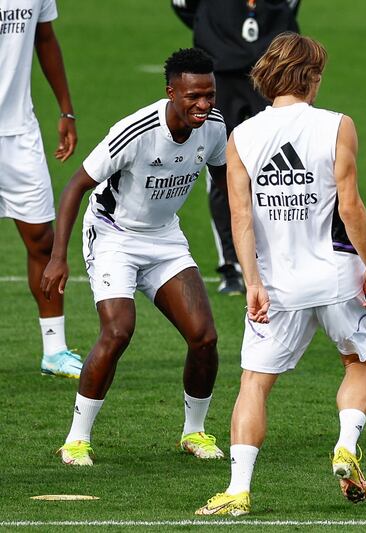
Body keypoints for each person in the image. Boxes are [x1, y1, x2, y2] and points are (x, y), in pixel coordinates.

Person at [196, 32, 366, 516]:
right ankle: (346, 445)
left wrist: (252, 283)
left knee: (254, 384)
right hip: (338, 277)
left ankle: (238, 489)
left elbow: (239, 219)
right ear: (312, 76)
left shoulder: (242, 137)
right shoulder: (338, 125)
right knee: (357, 364)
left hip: (277, 286)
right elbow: (351, 204)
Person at [41, 48, 228, 466]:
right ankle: (76, 439)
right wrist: (58, 257)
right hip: (114, 237)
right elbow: (75, 186)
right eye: (193, 96)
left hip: (164, 239)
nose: (203, 105)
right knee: (118, 330)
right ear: (171, 92)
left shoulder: (214, 126)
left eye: (210, 94)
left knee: (205, 337)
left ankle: (194, 432)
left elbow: (226, 182)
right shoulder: (136, 131)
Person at [172, 0, 301, 295]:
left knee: (281, 167)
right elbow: (183, 4)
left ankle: (280, 258)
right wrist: (214, 25)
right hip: (220, 71)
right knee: (223, 168)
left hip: (271, 70)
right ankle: (231, 265)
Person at [0, 0, 81, 378]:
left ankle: (54, 351)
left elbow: (45, 37)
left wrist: (66, 109)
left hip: (19, 134)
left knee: (42, 241)